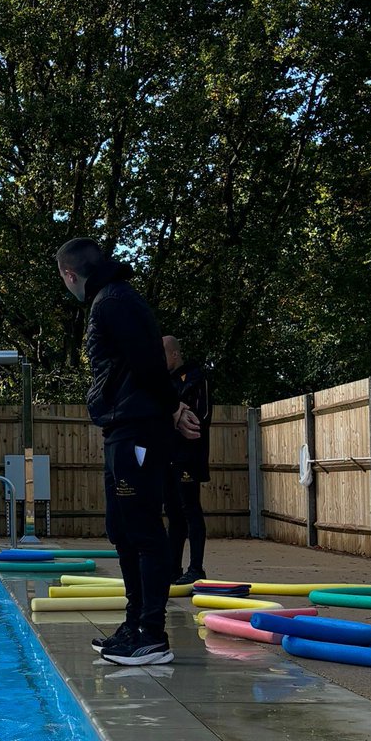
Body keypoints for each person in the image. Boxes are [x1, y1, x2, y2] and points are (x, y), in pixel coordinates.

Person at [55, 238, 199, 667]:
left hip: (138, 428)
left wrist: (172, 409)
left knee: (142, 530)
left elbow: (149, 364)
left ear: (69, 275)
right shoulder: (110, 298)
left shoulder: (114, 302)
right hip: (123, 426)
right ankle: (134, 623)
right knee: (120, 529)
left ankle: (152, 633)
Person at [162, 335, 212, 584]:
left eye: (163, 354)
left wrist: (177, 412)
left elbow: (198, 415)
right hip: (169, 455)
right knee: (173, 512)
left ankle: (196, 567)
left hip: (189, 455)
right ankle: (173, 568)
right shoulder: (165, 382)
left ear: (174, 354)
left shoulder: (195, 377)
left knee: (190, 509)